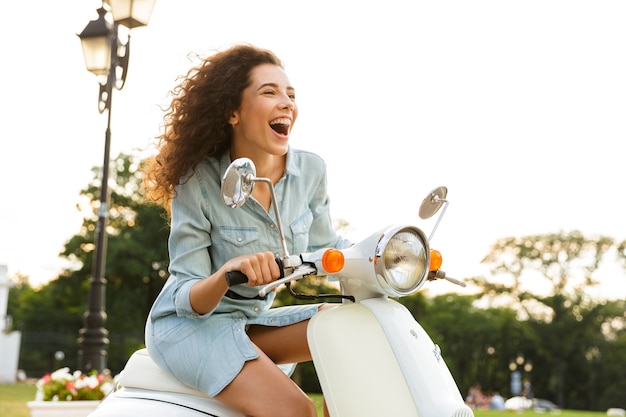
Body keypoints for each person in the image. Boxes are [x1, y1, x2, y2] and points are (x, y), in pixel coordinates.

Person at [143, 44, 350, 417]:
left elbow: (327, 246)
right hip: (187, 327)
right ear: (233, 112)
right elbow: (188, 296)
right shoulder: (199, 181)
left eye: (290, 94)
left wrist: (390, 252)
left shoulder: (311, 171)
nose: (286, 102)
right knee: (295, 409)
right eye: (269, 92)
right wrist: (226, 274)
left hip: (249, 320)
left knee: (350, 328)